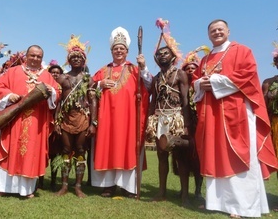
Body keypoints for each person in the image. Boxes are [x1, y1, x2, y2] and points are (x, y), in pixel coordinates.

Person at [192, 19, 278, 218]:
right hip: (212, 114)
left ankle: (243, 206)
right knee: (215, 154)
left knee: (238, 154)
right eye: (213, 30)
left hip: (235, 112)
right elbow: (196, 79)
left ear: (228, 31)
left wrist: (213, 81)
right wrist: (199, 84)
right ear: (208, 35)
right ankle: (217, 202)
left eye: (220, 29)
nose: (217, 32)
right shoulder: (205, 60)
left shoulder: (242, 51)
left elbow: (247, 75)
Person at [0, 45, 60, 198]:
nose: (35, 58)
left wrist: (51, 91)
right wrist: (8, 95)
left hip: (35, 121)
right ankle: (0, 187)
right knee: (8, 147)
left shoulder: (47, 76)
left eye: (38, 56)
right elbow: (0, 87)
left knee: (29, 153)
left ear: (42, 58)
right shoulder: (13, 72)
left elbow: (56, 92)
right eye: (32, 55)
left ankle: (25, 189)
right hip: (13, 120)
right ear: (26, 56)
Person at [91, 27, 151, 198]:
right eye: (116, 48)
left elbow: (149, 85)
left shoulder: (134, 69)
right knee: (108, 147)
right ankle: (108, 186)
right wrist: (100, 84)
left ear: (127, 51)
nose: (119, 51)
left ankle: (127, 186)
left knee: (127, 148)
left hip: (128, 118)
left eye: (122, 48)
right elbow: (89, 88)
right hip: (107, 117)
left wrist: (144, 67)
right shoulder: (103, 70)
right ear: (111, 51)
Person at [146, 18, 191, 206]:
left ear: (172, 56)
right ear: (156, 58)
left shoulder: (180, 73)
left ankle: (184, 196)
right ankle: (162, 192)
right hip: (160, 119)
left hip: (176, 118)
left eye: (166, 53)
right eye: (160, 53)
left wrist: (187, 126)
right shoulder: (156, 78)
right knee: (161, 156)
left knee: (181, 158)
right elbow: (153, 100)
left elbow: (185, 99)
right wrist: (150, 122)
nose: (162, 55)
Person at [54, 35, 97, 198]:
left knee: (80, 151)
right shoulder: (62, 78)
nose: (76, 59)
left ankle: (78, 186)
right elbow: (58, 101)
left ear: (84, 60)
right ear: (69, 60)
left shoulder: (88, 79)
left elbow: (93, 101)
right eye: (73, 57)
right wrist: (56, 121)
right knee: (65, 150)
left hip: (83, 119)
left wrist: (93, 123)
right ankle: (64, 186)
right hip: (65, 119)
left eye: (79, 57)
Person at [180, 46, 208, 201]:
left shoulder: (202, 86)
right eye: (188, 68)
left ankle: (198, 190)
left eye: (193, 68)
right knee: (182, 157)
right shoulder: (181, 85)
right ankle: (182, 190)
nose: (190, 70)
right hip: (184, 126)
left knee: (198, 159)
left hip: (200, 125)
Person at [37, 61, 64, 191]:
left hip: (57, 123)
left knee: (55, 154)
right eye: (52, 72)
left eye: (57, 73)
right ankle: (40, 180)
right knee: (41, 152)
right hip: (42, 123)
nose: (55, 74)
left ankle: (53, 180)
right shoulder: (42, 85)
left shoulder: (62, 88)